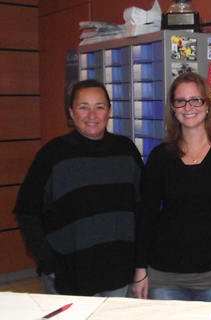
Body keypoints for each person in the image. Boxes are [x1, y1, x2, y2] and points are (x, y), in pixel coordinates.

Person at [13, 79, 143, 296]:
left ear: (109, 111)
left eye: (99, 107)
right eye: (84, 107)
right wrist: (48, 262)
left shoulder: (126, 151)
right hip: (68, 278)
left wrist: (140, 263)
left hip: (119, 277)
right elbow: (26, 211)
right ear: (71, 112)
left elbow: (142, 210)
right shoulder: (52, 155)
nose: (92, 115)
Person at [132, 72, 211, 303]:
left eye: (196, 99)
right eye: (180, 101)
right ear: (173, 108)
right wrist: (139, 269)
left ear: (207, 105)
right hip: (165, 274)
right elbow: (146, 217)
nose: (188, 107)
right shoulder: (159, 157)